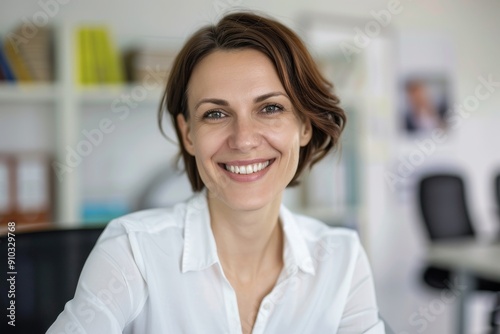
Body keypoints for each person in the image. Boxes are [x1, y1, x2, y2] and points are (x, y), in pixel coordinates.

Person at [48, 11, 385, 334]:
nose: (243, 139)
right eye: (215, 114)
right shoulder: (133, 252)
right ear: (188, 134)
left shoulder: (342, 259)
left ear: (304, 126)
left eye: (270, 108)